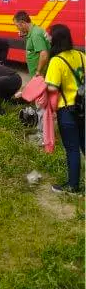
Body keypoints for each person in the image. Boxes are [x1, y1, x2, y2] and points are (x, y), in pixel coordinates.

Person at [44, 23, 84, 194]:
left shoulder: (56, 61)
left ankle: (73, 186)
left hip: (68, 110)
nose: (48, 38)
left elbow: (52, 87)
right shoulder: (81, 55)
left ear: (56, 39)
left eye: (50, 35)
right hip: (83, 106)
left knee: (73, 149)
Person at [14, 11, 50, 78]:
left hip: (39, 75)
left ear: (23, 23)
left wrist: (38, 71)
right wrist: (25, 35)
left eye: (17, 25)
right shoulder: (34, 30)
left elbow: (44, 54)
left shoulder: (35, 34)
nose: (17, 28)